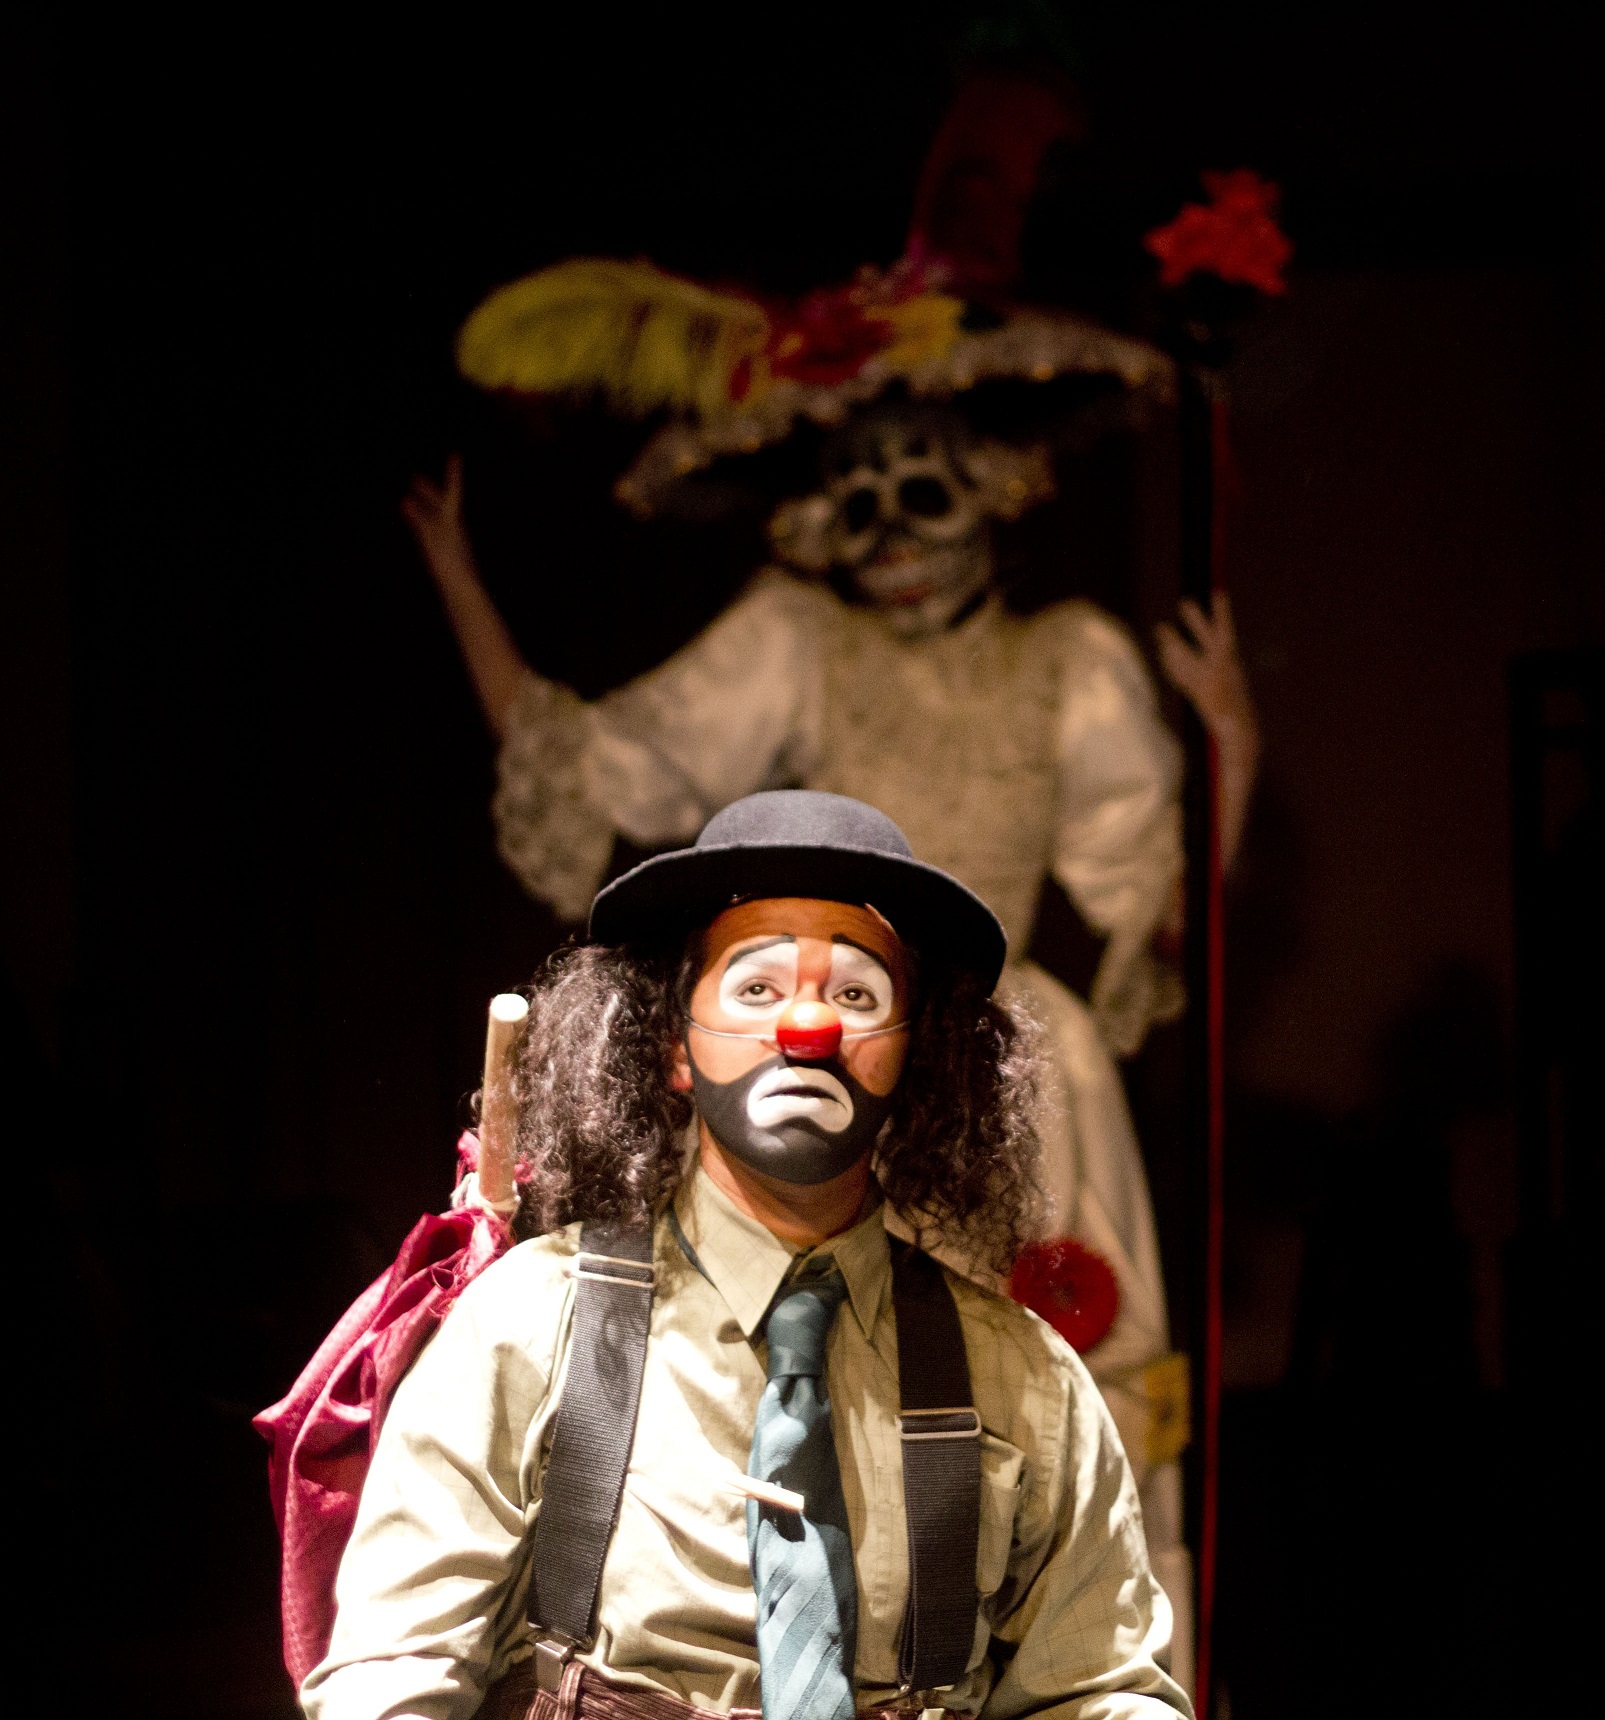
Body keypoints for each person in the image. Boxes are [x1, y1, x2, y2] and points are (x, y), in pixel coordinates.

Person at [402, 395, 1258, 1687]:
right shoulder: (799, 637)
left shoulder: (1068, 657)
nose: (894, 541)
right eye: (858, 510)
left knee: (1039, 1396)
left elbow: (1156, 895)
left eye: (925, 496)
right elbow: (608, 759)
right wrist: (463, 589)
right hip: (819, 1105)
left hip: (1002, 1069)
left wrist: (1230, 743)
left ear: (991, 494)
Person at [301, 790, 1192, 1720]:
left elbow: (1099, 1691)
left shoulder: (1022, 1381)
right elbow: (393, 1671)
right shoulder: (528, 1324)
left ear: (913, 1055)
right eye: (757, 990)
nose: (808, 1031)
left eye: (855, 995)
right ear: (676, 1048)